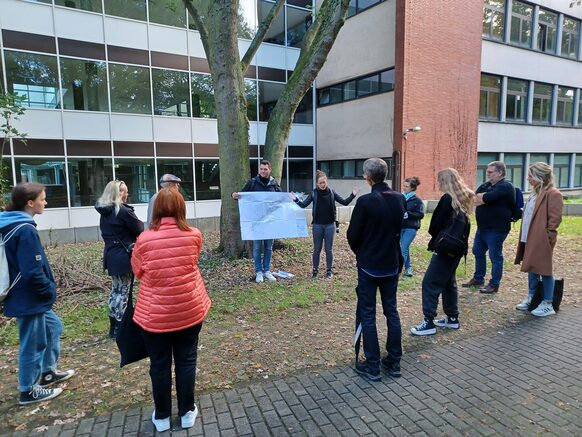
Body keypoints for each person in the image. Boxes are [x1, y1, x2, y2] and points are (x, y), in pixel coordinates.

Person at [131, 188, 211, 432]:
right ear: (181, 208)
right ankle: (187, 412)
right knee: (187, 361)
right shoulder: (194, 235)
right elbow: (192, 261)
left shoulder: (144, 239)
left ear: (156, 210)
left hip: (154, 314)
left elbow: (138, 271)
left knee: (159, 364)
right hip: (189, 309)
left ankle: (163, 415)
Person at [0, 183, 75, 405]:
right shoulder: (24, 229)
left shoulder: (13, 223)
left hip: (28, 296)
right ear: (30, 203)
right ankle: (28, 390)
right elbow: (32, 271)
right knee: (32, 343)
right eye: (42, 199)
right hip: (28, 297)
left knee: (53, 328)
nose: (46, 202)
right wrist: (48, 290)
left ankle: (47, 372)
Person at [347, 158, 406, 381]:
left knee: (368, 313)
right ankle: (394, 361)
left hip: (370, 265)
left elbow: (353, 235)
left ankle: (372, 365)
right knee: (391, 311)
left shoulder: (365, 201)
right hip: (391, 263)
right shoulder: (400, 198)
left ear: (367, 177)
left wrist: (362, 252)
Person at [411, 168, 474, 336]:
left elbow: (434, 226)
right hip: (457, 248)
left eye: (439, 180)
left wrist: (437, 236)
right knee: (448, 282)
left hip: (445, 248)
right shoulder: (463, 198)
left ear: (445, 181)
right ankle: (452, 318)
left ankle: (428, 322)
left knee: (430, 283)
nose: (438, 183)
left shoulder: (447, 199)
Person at [95, 180, 143, 338]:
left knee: (115, 291)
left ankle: (113, 326)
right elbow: (139, 228)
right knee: (123, 291)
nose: (126, 194)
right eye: (124, 191)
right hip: (123, 256)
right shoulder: (122, 211)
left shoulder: (104, 211)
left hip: (111, 255)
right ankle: (121, 328)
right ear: (117, 193)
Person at [514, 162, 563, 317]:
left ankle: (548, 303)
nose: (528, 178)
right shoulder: (535, 193)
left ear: (540, 176)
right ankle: (532, 297)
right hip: (529, 236)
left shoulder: (553, 194)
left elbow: (554, 220)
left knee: (544, 269)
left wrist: (547, 238)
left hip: (541, 238)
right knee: (531, 267)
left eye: (530, 175)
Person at [290, 170, 359, 278]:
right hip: (317, 225)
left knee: (329, 249)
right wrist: (295, 199)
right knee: (317, 249)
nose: (323, 184)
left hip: (330, 226)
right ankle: (315, 270)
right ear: (317, 184)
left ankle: (329, 271)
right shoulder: (314, 193)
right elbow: (303, 205)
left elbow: (344, 202)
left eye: (324, 182)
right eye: (320, 183)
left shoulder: (332, 192)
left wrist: (353, 195)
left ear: (326, 182)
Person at [462, 161, 515, 294]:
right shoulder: (485, 185)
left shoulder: (506, 187)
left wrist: (483, 198)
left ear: (500, 173)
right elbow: (474, 199)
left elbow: (487, 198)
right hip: (483, 228)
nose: (487, 174)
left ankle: (494, 284)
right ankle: (479, 278)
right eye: (487, 171)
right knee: (477, 251)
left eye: (491, 172)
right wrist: (481, 198)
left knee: (495, 256)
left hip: (497, 229)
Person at [232, 160, 281, 283]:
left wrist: (291, 199)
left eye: (265, 169)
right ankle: (259, 271)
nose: (263, 171)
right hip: (256, 222)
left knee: (269, 247)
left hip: (270, 222)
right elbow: (241, 195)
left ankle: (267, 271)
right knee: (257, 247)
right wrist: (233, 195)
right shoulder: (252, 183)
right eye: (261, 169)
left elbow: (281, 200)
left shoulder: (274, 184)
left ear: (270, 169)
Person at [400, 176, 424, 277]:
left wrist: (409, 214)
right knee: (405, 248)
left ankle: (397, 270)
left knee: (403, 249)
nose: (404, 188)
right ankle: (408, 268)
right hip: (400, 227)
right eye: (404, 185)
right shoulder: (400, 197)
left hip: (411, 228)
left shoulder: (417, 200)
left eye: (406, 186)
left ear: (412, 188)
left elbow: (421, 215)